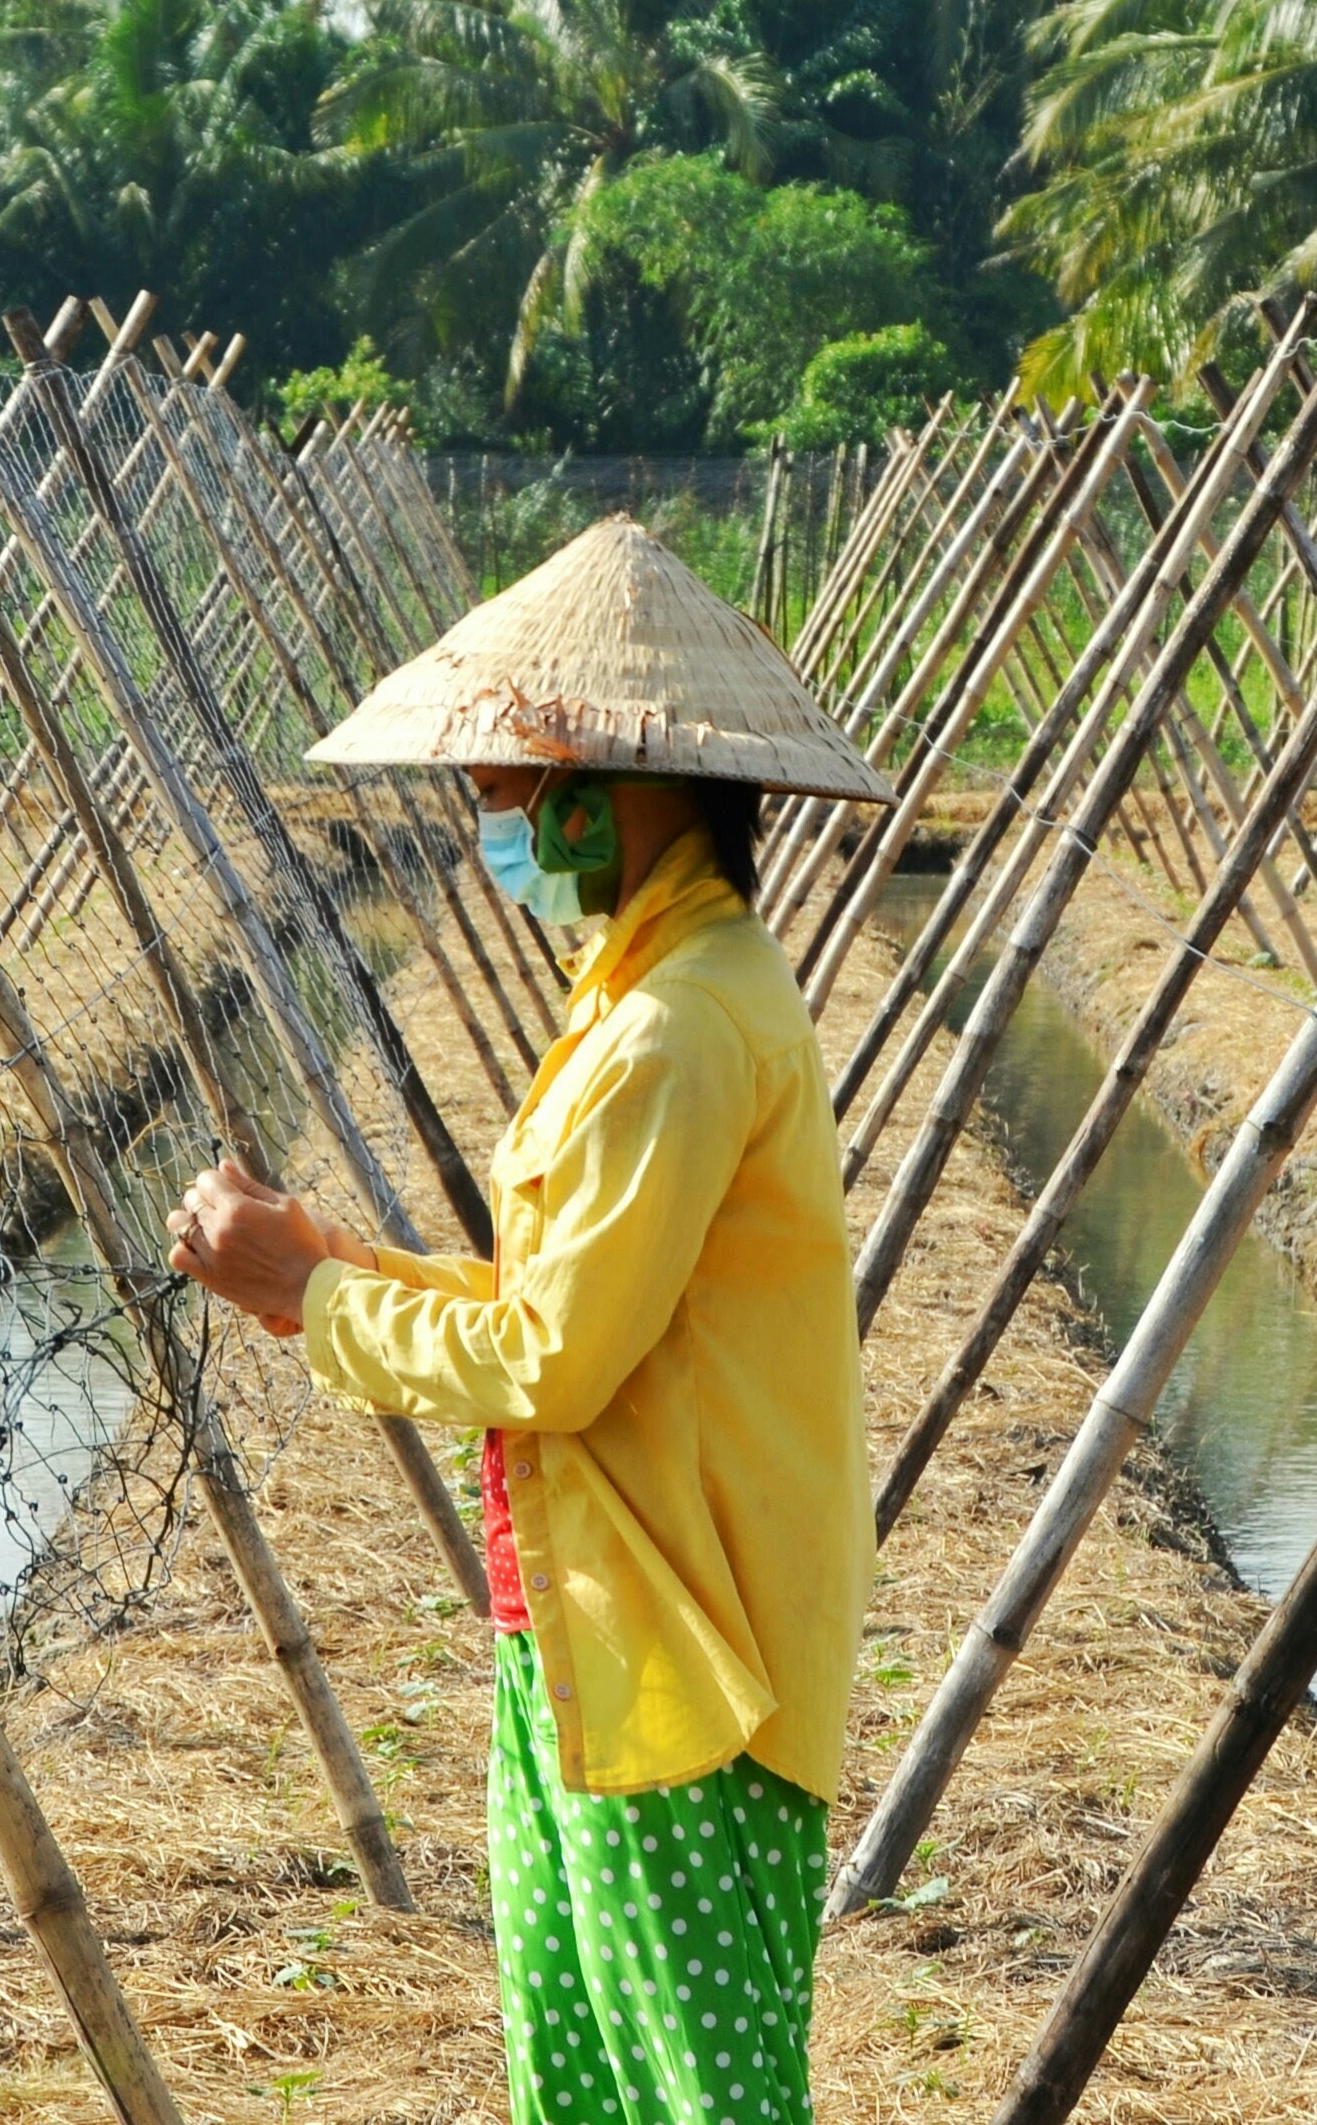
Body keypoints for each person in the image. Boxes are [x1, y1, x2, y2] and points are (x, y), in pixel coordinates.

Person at [168, 514, 885, 2125]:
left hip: (679, 1654)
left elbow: (553, 1364)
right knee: (580, 2079)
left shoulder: (673, 1030)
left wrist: (309, 1294)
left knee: (698, 2097)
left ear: (603, 783)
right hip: (589, 1621)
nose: (492, 819)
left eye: (505, 786)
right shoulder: (651, 989)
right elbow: (558, 1304)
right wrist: (336, 1268)